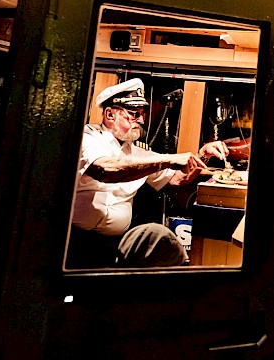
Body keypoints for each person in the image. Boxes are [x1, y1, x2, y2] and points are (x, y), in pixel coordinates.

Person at [67, 78, 229, 268]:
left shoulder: (137, 154)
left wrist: (203, 155)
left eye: (142, 114)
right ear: (110, 114)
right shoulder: (88, 138)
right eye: (134, 114)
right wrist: (167, 160)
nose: (141, 120)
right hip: (74, 241)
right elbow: (105, 169)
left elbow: (178, 180)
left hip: (115, 245)